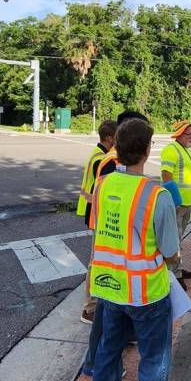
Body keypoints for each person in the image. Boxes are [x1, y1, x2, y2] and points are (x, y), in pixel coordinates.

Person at [82, 117, 191, 381]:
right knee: (152, 370)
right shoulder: (155, 195)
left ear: (117, 148)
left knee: (106, 358)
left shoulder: (104, 184)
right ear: (147, 151)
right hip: (146, 294)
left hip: (110, 290)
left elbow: (99, 232)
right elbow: (171, 252)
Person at [77, 120, 118, 324]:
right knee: (96, 261)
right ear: (110, 138)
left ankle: (94, 303)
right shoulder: (102, 158)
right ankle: (90, 309)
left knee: (96, 259)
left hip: (92, 210)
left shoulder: (96, 153)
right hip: (96, 212)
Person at [161, 120, 191, 241]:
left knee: (178, 238)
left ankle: (177, 256)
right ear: (179, 134)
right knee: (172, 239)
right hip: (177, 205)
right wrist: (175, 202)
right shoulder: (171, 149)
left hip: (186, 204)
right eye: (189, 134)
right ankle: (174, 259)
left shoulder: (188, 151)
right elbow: (166, 176)